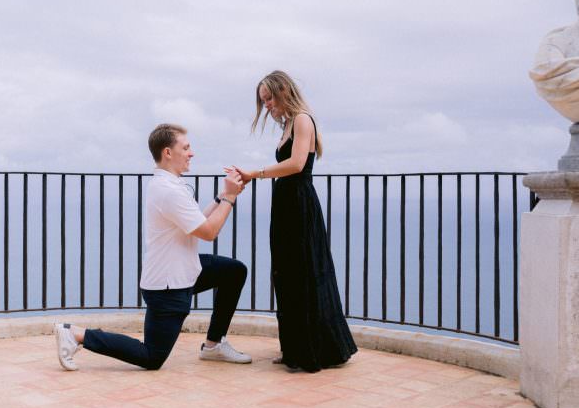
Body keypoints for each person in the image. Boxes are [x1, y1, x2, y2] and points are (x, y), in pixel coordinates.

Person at [54, 123, 252, 371]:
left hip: (185, 269)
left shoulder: (170, 185)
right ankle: (77, 334)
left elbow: (198, 222)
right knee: (151, 357)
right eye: (186, 148)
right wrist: (230, 197)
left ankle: (213, 345)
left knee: (234, 271)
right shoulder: (169, 191)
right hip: (168, 285)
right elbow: (209, 232)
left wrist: (222, 196)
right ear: (168, 152)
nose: (191, 153)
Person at [229, 71, 356, 372]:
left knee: (303, 271)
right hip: (286, 203)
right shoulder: (288, 124)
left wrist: (255, 173)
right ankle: (294, 348)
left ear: (283, 90)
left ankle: (312, 350)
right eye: (264, 101)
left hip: (299, 204)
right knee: (286, 274)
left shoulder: (302, 120)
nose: (267, 105)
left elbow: (297, 164)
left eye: (269, 98)